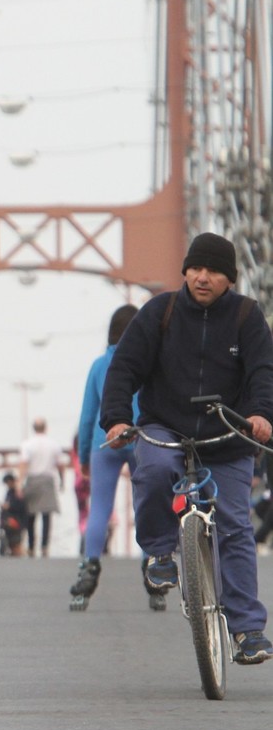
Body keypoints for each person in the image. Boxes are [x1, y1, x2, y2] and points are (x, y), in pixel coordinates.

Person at [102, 232, 273, 663]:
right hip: (167, 424)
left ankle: (248, 631)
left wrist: (262, 415)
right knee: (155, 471)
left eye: (214, 271)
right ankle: (160, 553)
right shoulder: (160, 312)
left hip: (228, 433)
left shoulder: (247, 317)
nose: (202, 277)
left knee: (235, 525)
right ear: (185, 272)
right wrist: (118, 418)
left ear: (229, 279)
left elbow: (263, 372)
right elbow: (124, 368)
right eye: (195, 268)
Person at [68, 304, 140, 609]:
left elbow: (87, 416)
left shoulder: (99, 366)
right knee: (146, 503)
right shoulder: (147, 363)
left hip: (104, 441)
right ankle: (153, 567)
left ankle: (90, 567)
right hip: (141, 438)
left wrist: (83, 455)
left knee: (99, 507)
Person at [17, 418, 63, 557]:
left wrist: (20, 482)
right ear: (45, 428)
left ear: (33, 428)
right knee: (46, 515)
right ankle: (44, 546)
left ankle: (31, 546)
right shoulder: (54, 444)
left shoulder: (27, 444)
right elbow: (59, 464)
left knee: (31, 514)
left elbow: (24, 463)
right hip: (48, 480)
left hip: (33, 479)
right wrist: (62, 480)